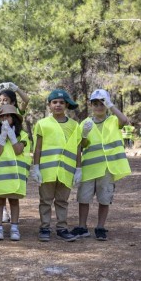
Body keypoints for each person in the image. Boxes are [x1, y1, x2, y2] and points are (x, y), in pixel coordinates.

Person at [71, 89, 131, 241]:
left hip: (107, 168)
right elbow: (82, 145)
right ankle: (82, 227)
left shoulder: (112, 120)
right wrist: (84, 135)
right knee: (83, 198)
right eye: (95, 104)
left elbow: (124, 121)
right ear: (91, 106)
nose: (99, 107)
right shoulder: (86, 123)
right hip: (89, 169)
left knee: (104, 199)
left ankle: (100, 227)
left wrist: (111, 105)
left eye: (102, 103)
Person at [32, 89, 81, 242]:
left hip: (66, 169)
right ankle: (45, 227)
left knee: (62, 201)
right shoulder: (42, 124)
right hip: (47, 169)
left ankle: (62, 228)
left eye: (61, 102)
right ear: (49, 105)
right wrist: (36, 167)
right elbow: (37, 147)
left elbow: (78, 147)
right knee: (45, 200)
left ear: (66, 105)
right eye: (54, 102)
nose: (58, 105)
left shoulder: (74, 125)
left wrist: (78, 168)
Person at [0, 82, 29, 223]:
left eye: (5, 100)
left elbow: (26, 101)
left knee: (13, 195)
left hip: (15, 157)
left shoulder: (15, 112)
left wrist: (16, 88)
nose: (2, 102)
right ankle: (3, 213)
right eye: (0, 100)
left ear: (12, 102)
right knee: (0, 193)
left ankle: (14, 223)